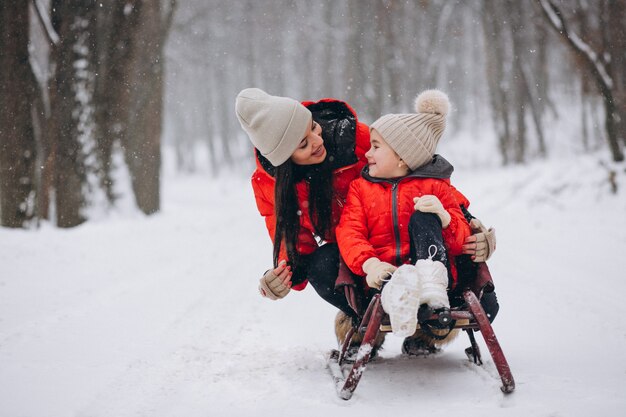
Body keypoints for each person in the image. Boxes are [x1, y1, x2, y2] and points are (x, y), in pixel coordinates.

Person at [235, 87, 496, 352]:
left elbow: (423, 174)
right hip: (362, 254)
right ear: (284, 160)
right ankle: (369, 313)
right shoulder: (271, 186)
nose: (317, 139)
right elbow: (295, 246)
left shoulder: (355, 139)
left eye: (313, 127)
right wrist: (282, 275)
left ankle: (433, 316)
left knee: (481, 293)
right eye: (303, 144)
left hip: (417, 241)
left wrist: (470, 223)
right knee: (321, 266)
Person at [336, 90, 499, 356]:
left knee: (424, 218)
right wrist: (370, 263)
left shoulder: (436, 186)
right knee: (394, 284)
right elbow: (350, 233)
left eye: (376, 147)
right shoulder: (360, 189)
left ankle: (431, 302)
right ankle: (401, 297)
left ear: (402, 157)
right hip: (385, 277)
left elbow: (461, 243)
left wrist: (445, 219)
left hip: (435, 281)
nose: (367, 154)